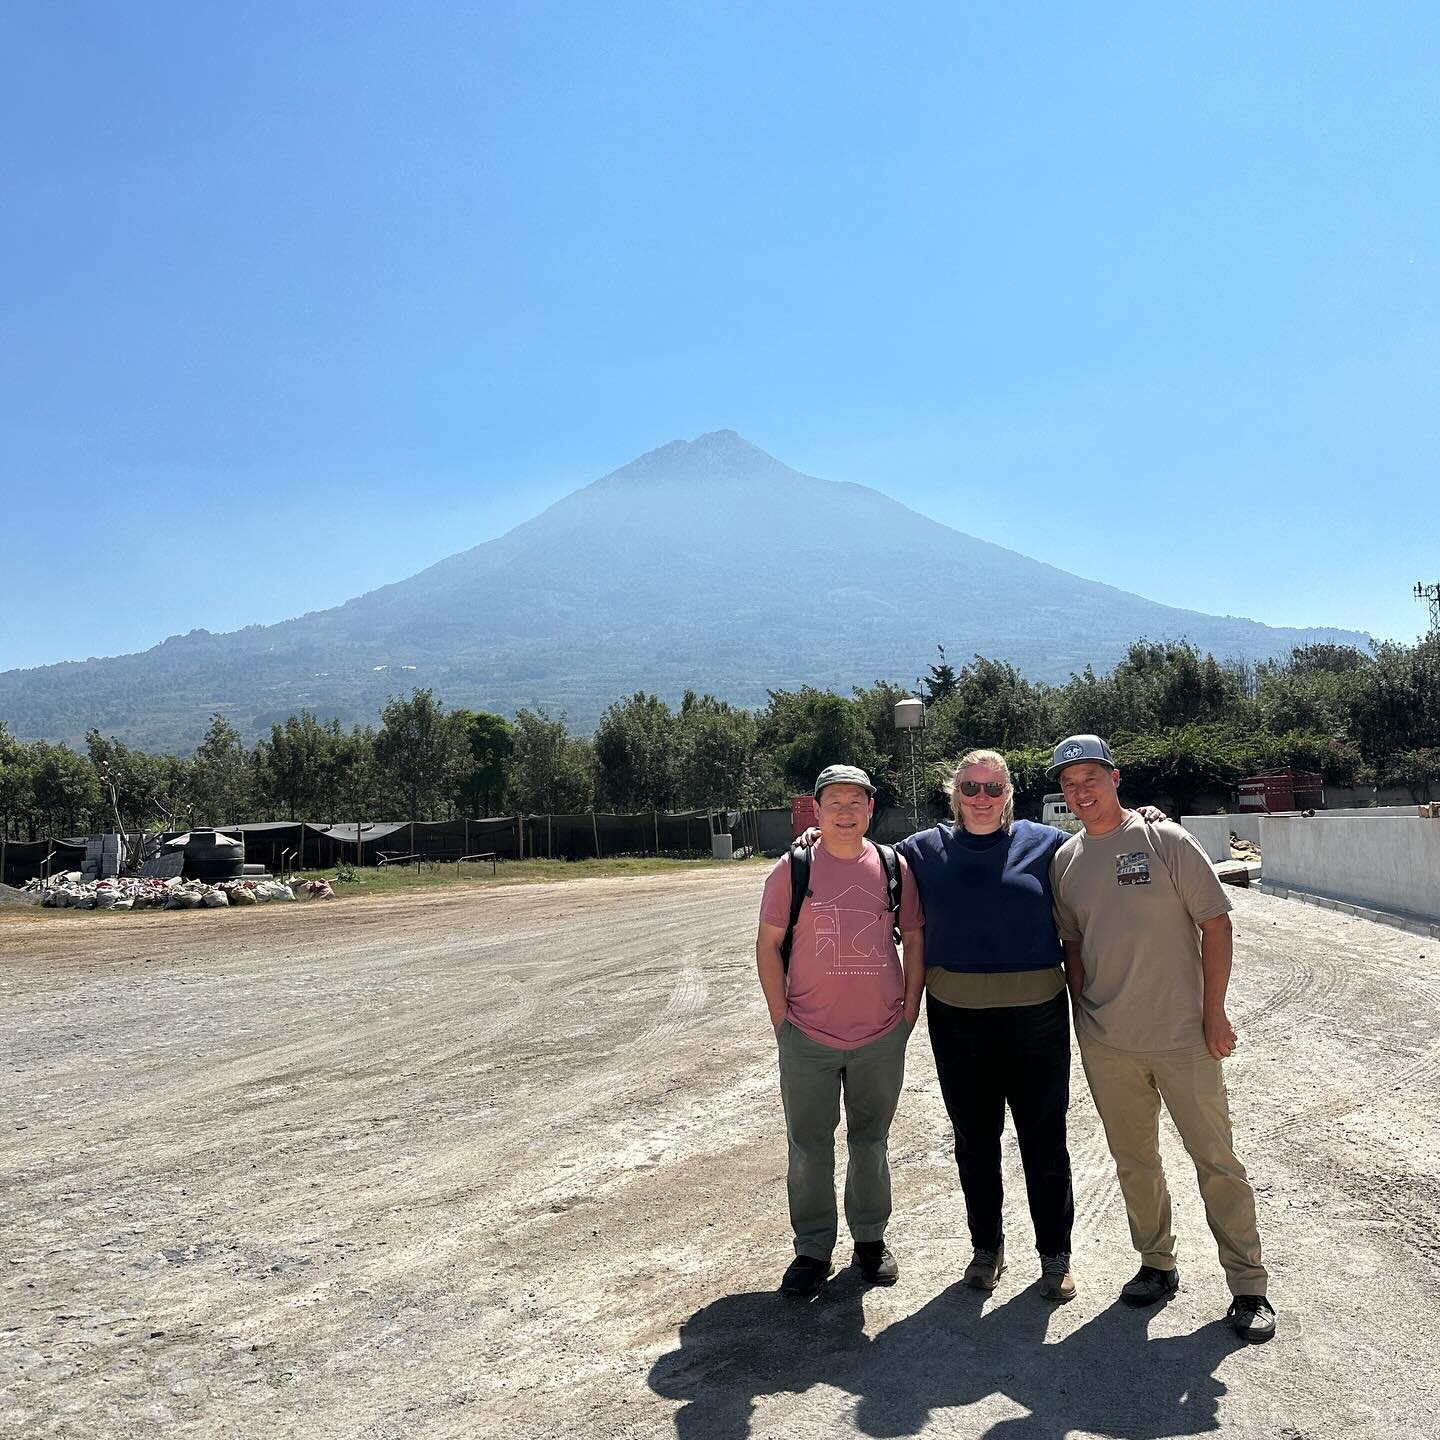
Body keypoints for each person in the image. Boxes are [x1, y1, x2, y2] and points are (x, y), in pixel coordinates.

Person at [1047, 734, 1276, 1343]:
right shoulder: (1066, 862)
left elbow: (1216, 924)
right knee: (1134, 1161)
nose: (1081, 791)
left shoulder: (1164, 840)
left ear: (1115, 778)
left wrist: (1214, 1014)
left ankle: (1249, 1285)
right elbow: (1073, 946)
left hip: (1183, 1038)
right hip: (1108, 1042)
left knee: (1217, 1161)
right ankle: (1156, 1264)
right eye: (1069, 783)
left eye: (1090, 777)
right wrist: (1085, 1016)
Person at [898, 749, 1081, 1303]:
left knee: (1044, 1139)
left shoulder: (1047, 845)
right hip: (957, 1019)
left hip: (1038, 1016)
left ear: (1009, 794)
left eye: (993, 789)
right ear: (954, 793)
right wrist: (809, 840)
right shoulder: (921, 851)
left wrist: (1146, 815)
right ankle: (986, 1248)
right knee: (975, 1140)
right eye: (971, 788)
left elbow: (1105, 842)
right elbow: (856, 855)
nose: (982, 799)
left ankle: (1055, 1257)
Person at [756, 764, 925, 1297]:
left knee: (870, 1142)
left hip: (880, 1034)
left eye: (857, 802)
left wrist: (908, 1014)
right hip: (807, 1035)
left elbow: (916, 941)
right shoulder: (792, 869)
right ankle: (811, 1249)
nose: (846, 811)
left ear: (871, 809)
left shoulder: (894, 867)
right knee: (808, 1146)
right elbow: (767, 946)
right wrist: (783, 1022)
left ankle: (870, 1242)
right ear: (818, 809)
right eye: (835, 802)